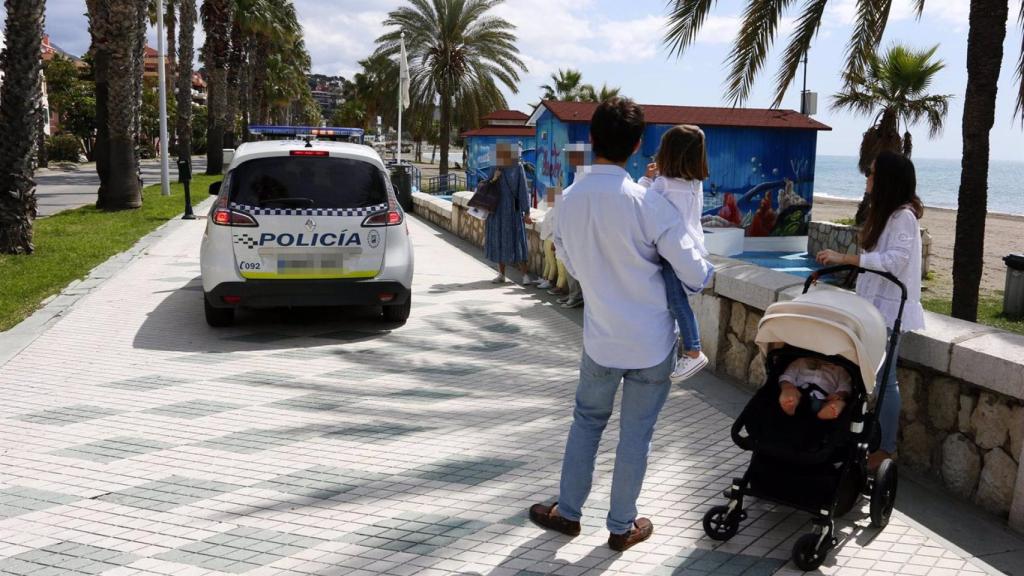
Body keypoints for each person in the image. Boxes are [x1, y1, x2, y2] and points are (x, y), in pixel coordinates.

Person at [529, 98, 713, 552]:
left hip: (600, 338)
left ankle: (568, 512)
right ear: (636, 146)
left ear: (592, 139)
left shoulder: (567, 201)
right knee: (636, 434)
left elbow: (565, 255)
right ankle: (620, 525)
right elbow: (695, 274)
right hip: (651, 343)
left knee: (586, 423)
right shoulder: (646, 203)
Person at [816, 150, 925, 470]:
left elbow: (894, 262)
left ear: (888, 180)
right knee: (865, 376)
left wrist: (846, 258)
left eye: (873, 174)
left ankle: (887, 449)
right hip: (872, 310)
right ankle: (857, 435)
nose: (867, 178)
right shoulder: (886, 214)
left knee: (885, 379)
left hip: (890, 312)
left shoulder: (903, 216)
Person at [638, 125, 711, 382]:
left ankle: (693, 350)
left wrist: (646, 179)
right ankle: (685, 344)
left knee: (676, 301)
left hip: (671, 251)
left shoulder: (664, 184)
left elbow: (643, 203)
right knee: (676, 300)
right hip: (691, 246)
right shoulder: (694, 183)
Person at [485, 143, 537, 285]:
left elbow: (522, 190)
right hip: (497, 210)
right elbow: (486, 186)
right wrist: (494, 178)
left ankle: (524, 275)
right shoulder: (495, 167)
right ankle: (502, 274)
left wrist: (526, 212)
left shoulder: (517, 167)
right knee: (502, 241)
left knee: (517, 242)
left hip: (511, 211)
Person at [778, 357, 852, 420]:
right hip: (798, 393)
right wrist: (787, 385)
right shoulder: (801, 361)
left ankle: (829, 410)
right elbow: (788, 375)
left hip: (825, 399)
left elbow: (845, 384)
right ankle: (790, 402)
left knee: (840, 402)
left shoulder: (840, 369)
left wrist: (840, 394)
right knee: (789, 390)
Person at [537, 188, 566, 291]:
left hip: (551, 239)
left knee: (554, 263)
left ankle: (550, 281)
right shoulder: (551, 210)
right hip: (547, 239)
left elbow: (554, 228)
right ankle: (545, 278)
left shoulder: (556, 212)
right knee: (549, 261)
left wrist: (553, 240)